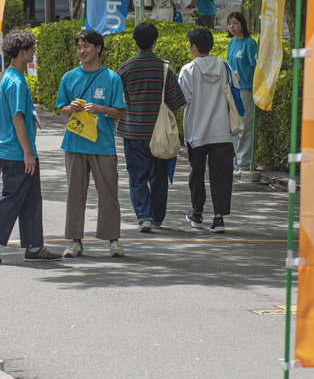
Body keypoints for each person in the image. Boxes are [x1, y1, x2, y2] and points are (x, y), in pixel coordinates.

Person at [0, 30, 61, 264]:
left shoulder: (9, 76)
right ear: (22, 52)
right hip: (20, 152)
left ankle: (34, 246)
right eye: (31, 49)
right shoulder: (17, 81)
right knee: (12, 198)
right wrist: (28, 153)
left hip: (12, 149)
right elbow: (17, 119)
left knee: (30, 199)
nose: (33, 52)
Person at [56, 30, 127, 258]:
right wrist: (70, 109)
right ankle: (75, 241)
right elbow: (61, 108)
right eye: (78, 47)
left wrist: (100, 109)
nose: (82, 51)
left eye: (86, 46)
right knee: (75, 194)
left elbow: (120, 112)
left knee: (108, 194)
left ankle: (113, 240)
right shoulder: (69, 77)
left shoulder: (112, 78)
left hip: (103, 145)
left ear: (98, 48)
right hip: (74, 144)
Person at [116, 23, 186, 231]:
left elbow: (118, 102)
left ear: (135, 41)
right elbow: (175, 105)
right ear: (155, 42)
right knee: (159, 175)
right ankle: (157, 217)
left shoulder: (124, 68)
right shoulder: (166, 69)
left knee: (137, 176)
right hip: (160, 133)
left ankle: (144, 217)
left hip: (132, 132)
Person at [178, 28, 237, 233]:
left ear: (194, 47)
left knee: (197, 172)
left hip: (196, 131)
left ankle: (197, 213)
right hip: (222, 129)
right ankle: (219, 218)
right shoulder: (224, 67)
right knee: (221, 174)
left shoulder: (188, 70)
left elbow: (184, 102)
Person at [226, 12, 258, 175]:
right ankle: (238, 163)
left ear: (242, 25)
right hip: (234, 90)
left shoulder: (250, 43)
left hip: (246, 90)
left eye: (235, 23)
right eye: (230, 24)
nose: (232, 27)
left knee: (245, 127)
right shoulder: (231, 42)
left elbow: (255, 67)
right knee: (235, 127)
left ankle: (244, 164)